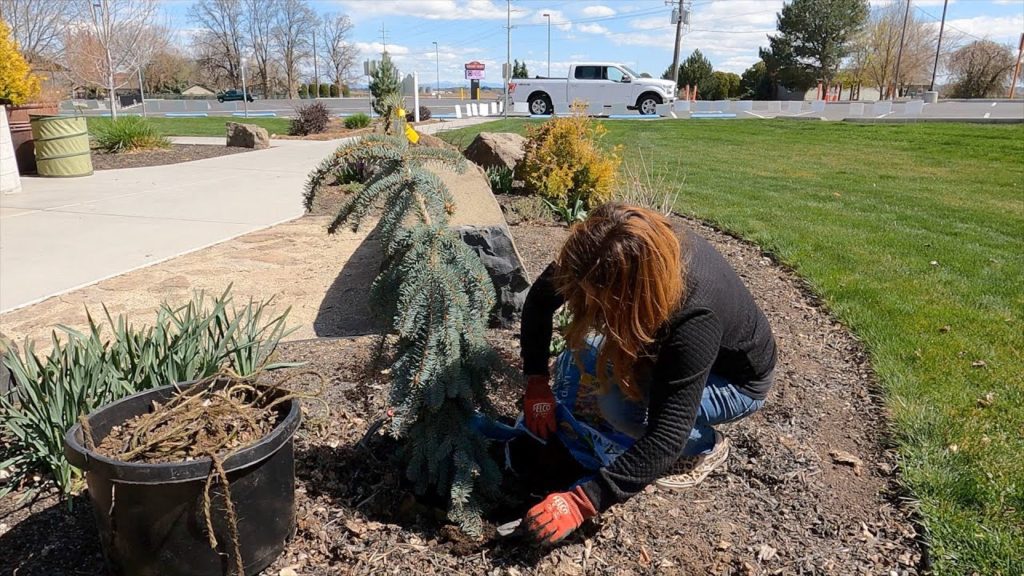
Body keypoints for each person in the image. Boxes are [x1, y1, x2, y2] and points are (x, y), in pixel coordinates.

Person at [514, 202, 777, 545]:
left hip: (733, 382)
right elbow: (540, 300)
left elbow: (667, 434)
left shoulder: (694, 316)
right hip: (675, 349)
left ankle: (707, 445)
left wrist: (582, 501)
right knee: (586, 352)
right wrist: (536, 380)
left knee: (620, 411)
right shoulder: (603, 245)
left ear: (630, 295)